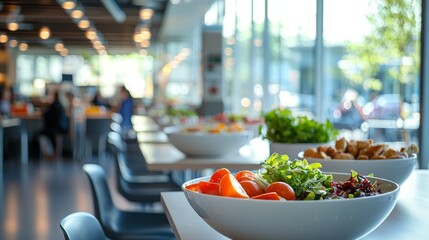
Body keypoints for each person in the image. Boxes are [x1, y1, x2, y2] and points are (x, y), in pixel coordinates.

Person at [39, 90, 69, 159]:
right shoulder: (59, 104)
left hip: (57, 128)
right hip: (62, 127)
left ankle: (47, 154)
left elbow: (47, 114)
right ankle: (50, 153)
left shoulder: (55, 104)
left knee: (42, 134)